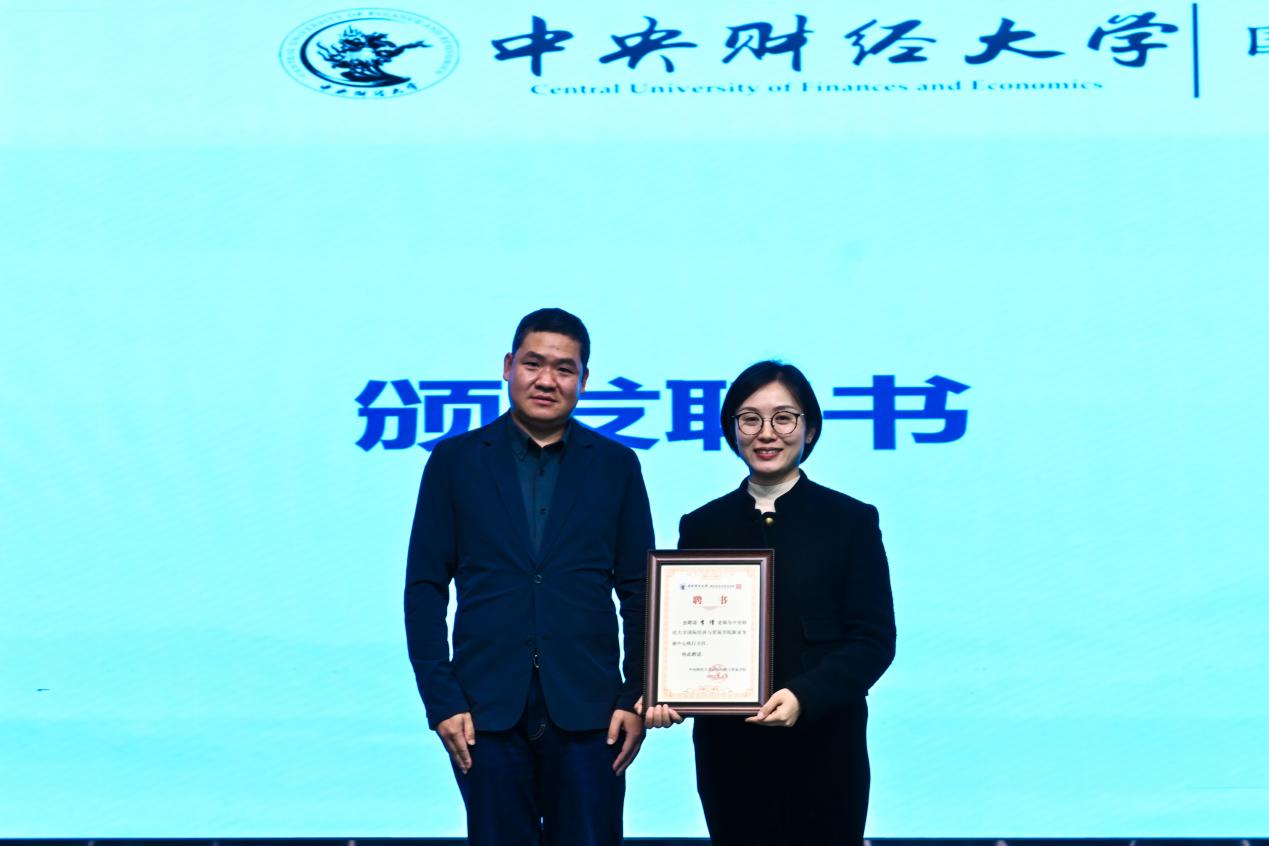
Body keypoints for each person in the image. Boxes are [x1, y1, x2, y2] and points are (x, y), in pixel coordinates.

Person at [404, 308, 653, 846]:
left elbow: (640, 592)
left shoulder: (617, 465)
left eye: (565, 369)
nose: (547, 380)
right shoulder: (454, 462)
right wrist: (442, 700)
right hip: (484, 713)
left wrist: (635, 694)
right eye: (533, 364)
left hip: (591, 712)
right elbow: (424, 589)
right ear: (507, 366)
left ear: (584, 380)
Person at [642, 360, 896, 845]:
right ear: (731, 429)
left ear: (810, 429)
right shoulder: (702, 525)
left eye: (784, 418)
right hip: (729, 752)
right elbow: (682, 632)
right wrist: (667, 691)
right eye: (750, 419)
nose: (766, 433)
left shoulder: (850, 520)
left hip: (826, 744)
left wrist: (804, 696)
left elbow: (874, 640)